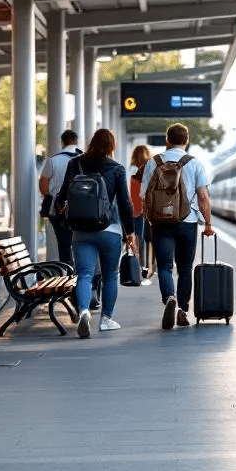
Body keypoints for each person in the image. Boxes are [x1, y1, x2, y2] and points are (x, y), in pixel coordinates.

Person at [53, 128, 137, 338]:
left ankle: (83, 312)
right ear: (112, 146)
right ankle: (107, 319)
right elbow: (126, 203)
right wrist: (131, 232)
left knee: (84, 274)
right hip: (111, 229)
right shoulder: (117, 168)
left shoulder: (76, 163)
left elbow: (62, 196)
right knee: (110, 276)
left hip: (81, 230)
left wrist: (65, 220)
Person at [140, 123, 214, 330]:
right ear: (186, 141)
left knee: (164, 266)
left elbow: (143, 195)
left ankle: (169, 297)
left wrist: (150, 218)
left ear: (167, 140)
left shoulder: (152, 163)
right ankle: (182, 309)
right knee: (185, 268)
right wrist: (207, 223)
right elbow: (203, 196)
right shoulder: (195, 163)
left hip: (160, 223)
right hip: (187, 222)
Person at [39, 129, 81, 264]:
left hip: (58, 210)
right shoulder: (85, 159)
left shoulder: (53, 160)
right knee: (81, 243)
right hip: (83, 210)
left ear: (62, 142)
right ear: (76, 141)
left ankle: (68, 273)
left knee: (64, 245)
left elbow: (43, 184)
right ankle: (81, 274)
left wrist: (49, 195)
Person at [129, 144, 152, 270]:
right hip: (149, 212)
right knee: (148, 239)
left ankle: (140, 265)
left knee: (138, 239)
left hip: (137, 212)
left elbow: (133, 196)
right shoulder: (152, 170)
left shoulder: (134, 172)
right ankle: (146, 265)